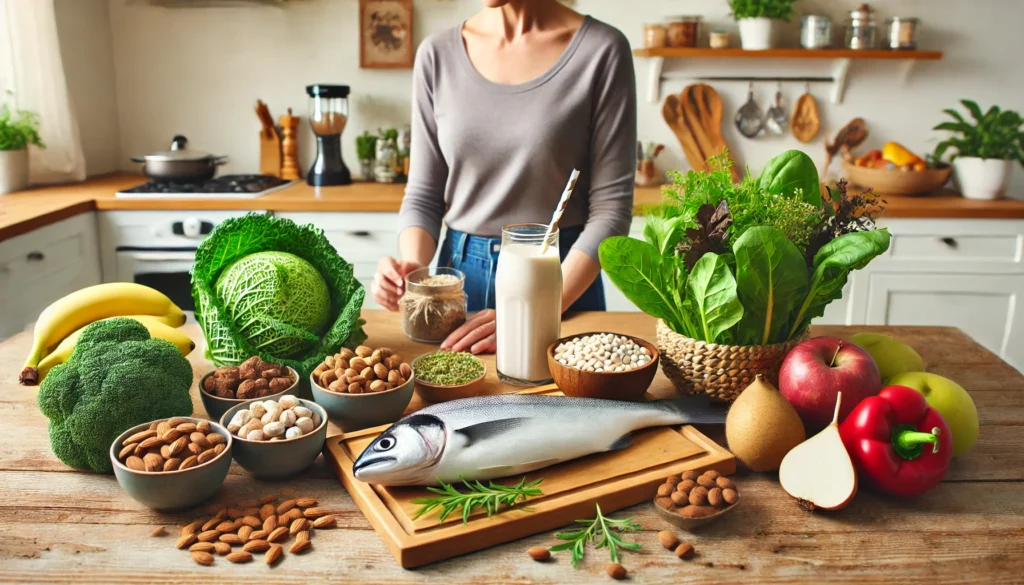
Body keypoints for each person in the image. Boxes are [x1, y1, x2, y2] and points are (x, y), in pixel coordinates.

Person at [371, 0, 637, 354]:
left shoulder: (602, 50)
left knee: (562, 407)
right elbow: (424, 193)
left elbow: (611, 211)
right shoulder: (437, 54)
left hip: (562, 280)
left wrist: (540, 308)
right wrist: (415, 272)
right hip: (459, 278)